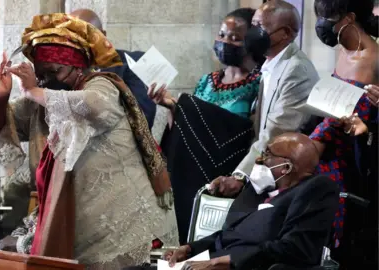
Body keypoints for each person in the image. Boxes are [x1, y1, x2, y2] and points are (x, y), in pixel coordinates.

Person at [0, 13, 178, 269]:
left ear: (77, 65)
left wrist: (34, 90)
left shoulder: (103, 85)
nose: (48, 79)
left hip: (124, 226)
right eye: (42, 73)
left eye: (55, 70)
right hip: (78, 218)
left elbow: (93, 107)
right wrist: (0, 97)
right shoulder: (44, 99)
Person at [124, 133, 340, 270]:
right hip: (206, 261)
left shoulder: (315, 189)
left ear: (286, 168)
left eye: (267, 154)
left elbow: (296, 248)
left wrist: (228, 262)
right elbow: (228, 235)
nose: (259, 160)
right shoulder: (258, 191)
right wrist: (189, 248)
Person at [149, 8, 265, 244]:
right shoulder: (207, 81)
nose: (224, 42)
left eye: (234, 38)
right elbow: (183, 126)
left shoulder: (258, 82)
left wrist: (179, 104)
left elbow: (250, 130)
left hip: (228, 168)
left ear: (250, 42)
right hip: (191, 169)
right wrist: (171, 107)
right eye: (222, 35)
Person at [209, 0, 319, 199]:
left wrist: (241, 176)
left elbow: (277, 131)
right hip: (265, 166)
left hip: (283, 177)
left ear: (284, 33)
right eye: (253, 25)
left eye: (260, 26)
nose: (252, 33)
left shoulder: (296, 70)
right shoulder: (271, 62)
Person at [311, 0, 378, 267]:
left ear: (349, 18)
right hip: (330, 140)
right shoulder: (342, 50)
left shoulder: (373, 57)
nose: (322, 23)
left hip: (355, 155)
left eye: (328, 16)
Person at [70, 9, 156, 129]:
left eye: (86, 36)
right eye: (71, 38)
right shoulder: (63, 72)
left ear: (103, 35)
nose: (79, 44)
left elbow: (143, 119)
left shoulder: (132, 64)